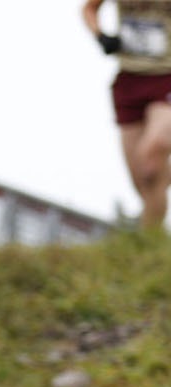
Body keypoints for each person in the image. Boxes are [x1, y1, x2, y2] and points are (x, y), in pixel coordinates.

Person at [85, 0, 171, 229]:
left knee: (153, 152)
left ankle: (149, 237)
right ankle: (149, 238)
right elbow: (89, 8)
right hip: (129, 82)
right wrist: (101, 36)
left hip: (166, 77)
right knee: (143, 177)